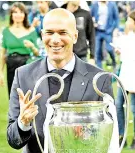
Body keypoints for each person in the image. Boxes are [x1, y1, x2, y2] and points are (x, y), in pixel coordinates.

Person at [7, 8, 113, 153]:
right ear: (42, 35)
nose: (55, 40)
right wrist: (23, 123)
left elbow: (108, 138)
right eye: (49, 33)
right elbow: (13, 140)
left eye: (63, 33)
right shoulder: (23, 75)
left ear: (75, 36)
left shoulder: (99, 79)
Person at [0, 2, 39, 97]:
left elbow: (37, 53)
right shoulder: (6, 31)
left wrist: (32, 46)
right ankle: (14, 112)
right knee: (12, 96)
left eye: (21, 12)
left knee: (26, 95)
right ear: (11, 15)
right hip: (11, 65)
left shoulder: (31, 30)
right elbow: (3, 53)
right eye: (15, 12)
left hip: (26, 65)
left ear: (25, 15)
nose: (18, 15)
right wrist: (0, 73)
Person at [113, 10, 135, 149]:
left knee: (133, 107)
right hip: (124, 76)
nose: (126, 22)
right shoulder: (128, 37)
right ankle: (121, 135)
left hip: (133, 77)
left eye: (129, 20)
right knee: (118, 105)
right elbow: (125, 56)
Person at [91, 1, 119, 69]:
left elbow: (116, 18)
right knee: (97, 51)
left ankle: (114, 62)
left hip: (108, 31)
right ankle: (100, 70)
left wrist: (115, 28)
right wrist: (93, 22)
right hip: (98, 31)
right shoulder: (95, 5)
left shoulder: (112, 4)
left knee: (109, 48)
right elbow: (91, 16)